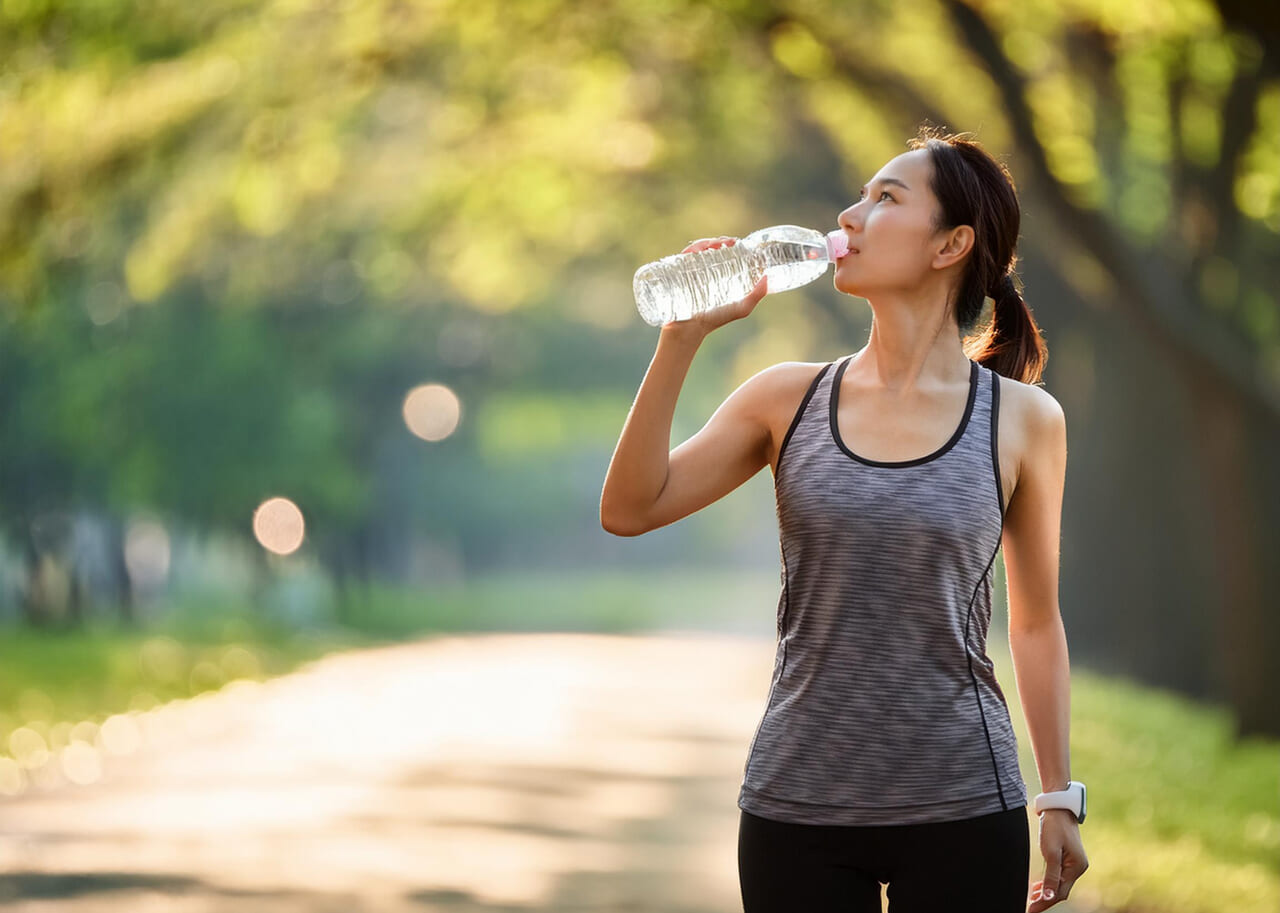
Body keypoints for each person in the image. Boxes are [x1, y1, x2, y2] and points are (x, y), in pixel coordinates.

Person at [600, 124, 1089, 912]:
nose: (851, 216)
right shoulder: (784, 398)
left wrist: (1060, 795)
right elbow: (628, 509)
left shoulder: (1023, 418)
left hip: (965, 799)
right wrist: (680, 340)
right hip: (798, 803)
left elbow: (1035, 622)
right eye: (859, 195)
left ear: (950, 244)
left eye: (886, 198)